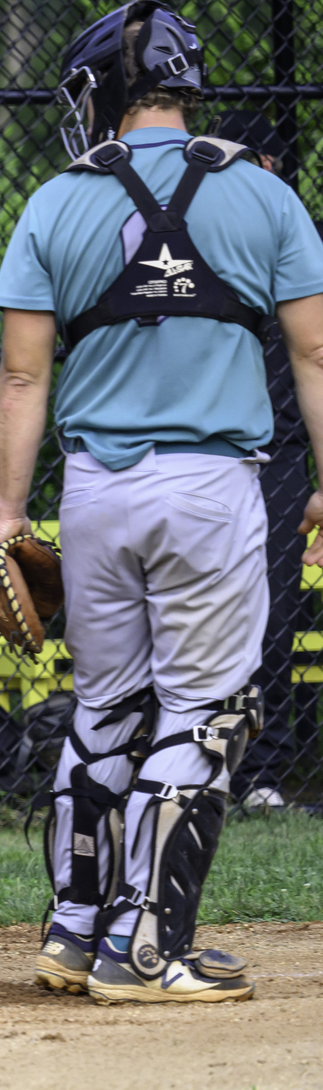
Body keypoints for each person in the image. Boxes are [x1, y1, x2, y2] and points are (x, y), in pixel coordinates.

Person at [0, 0, 323, 1004]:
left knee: (106, 709)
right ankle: (148, 948)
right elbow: (313, 350)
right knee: (204, 713)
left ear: (111, 95)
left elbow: (19, 377)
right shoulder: (262, 196)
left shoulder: (56, 202)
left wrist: (10, 517)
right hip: (212, 487)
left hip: (96, 491)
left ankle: (76, 929)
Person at [210, 109, 323, 810]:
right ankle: (194, 759)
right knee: (201, 609)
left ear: (269, 169)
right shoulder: (197, 239)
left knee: (275, 615)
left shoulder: (297, 241)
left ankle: (261, 772)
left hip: (280, 456)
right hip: (210, 451)